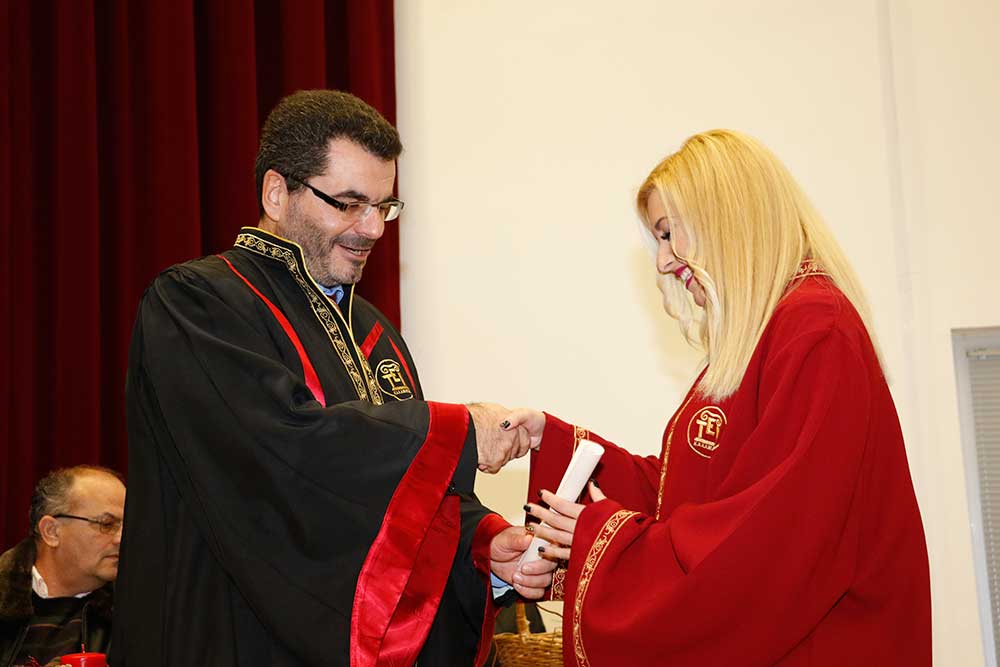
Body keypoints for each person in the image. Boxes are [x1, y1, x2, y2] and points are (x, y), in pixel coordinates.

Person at [114, 90, 552, 667]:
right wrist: (458, 429)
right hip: (227, 637)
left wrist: (483, 544)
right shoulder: (195, 303)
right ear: (276, 192)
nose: (372, 228)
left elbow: (396, 495)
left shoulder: (373, 330)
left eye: (384, 206)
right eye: (348, 204)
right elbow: (280, 457)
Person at [504, 130, 931, 666]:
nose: (662, 262)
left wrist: (602, 538)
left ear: (722, 216)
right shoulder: (768, 331)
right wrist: (555, 443)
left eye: (668, 234)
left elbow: (773, 537)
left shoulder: (814, 329)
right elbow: (691, 495)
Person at [1, 466, 126, 667]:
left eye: (126, 526)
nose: (121, 539)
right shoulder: (5, 597)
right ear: (51, 531)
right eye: (107, 524)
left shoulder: (137, 609)